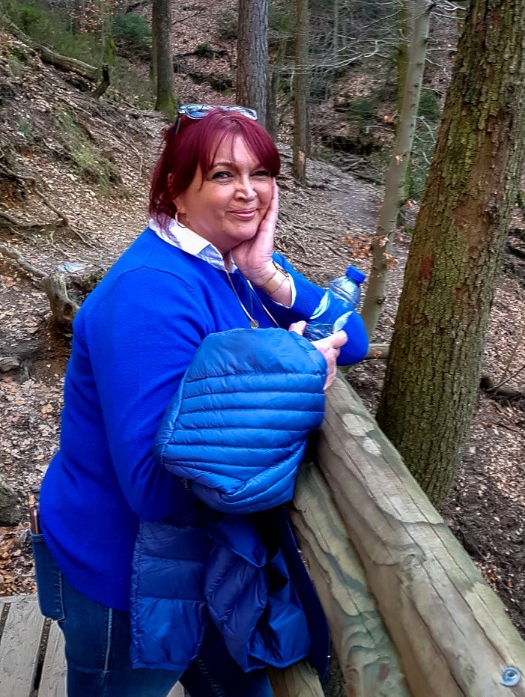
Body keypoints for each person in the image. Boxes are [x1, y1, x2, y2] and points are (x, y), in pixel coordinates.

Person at [31, 104, 366, 695]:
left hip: (208, 561)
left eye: (261, 173)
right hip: (123, 573)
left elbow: (354, 340)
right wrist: (290, 381)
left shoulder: (235, 264)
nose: (249, 192)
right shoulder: (150, 295)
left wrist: (269, 275)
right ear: (175, 192)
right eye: (222, 175)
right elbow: (154, 488)